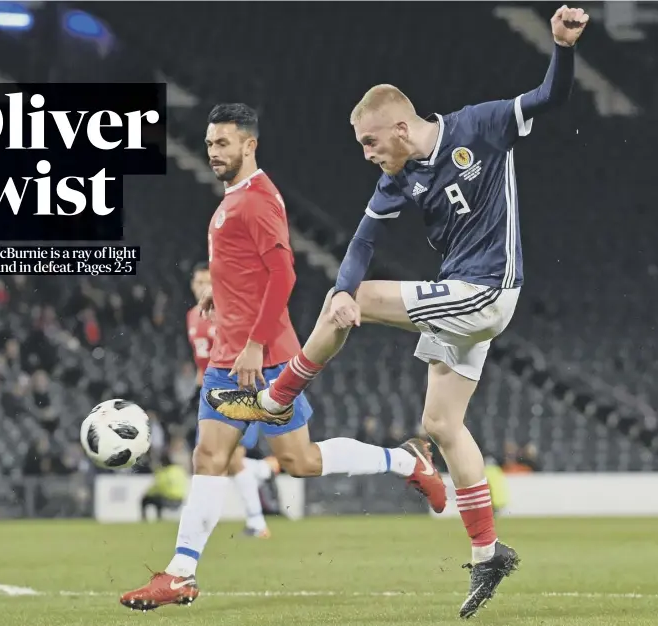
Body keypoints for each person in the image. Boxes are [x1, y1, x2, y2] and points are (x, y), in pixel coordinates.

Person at [208, 7, 589, 618]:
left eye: (369, 142)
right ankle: (489, 552)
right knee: (440, 423)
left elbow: (552, 95)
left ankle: (277, 399)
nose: (365, 154)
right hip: (459, 296)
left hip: (490, 287)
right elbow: (361, 241)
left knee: (358, 300)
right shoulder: (399, 177)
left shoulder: (482, 126)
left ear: (402, 128)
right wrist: (339, 289)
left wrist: (563, 47)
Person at [120, 102, 446, 612]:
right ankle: (181, 574)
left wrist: (253, 342)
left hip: (261, 356)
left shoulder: (258, 200)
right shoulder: (232, 200)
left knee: (297, 461)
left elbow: (284, 275)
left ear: (249, 145)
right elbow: (244, 267)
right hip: (232, 355)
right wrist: (220, 294)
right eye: (209, 144)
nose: (213, 152)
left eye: (223, 143)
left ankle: (405, 459)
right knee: (224, 457)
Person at [187, 261, 280, 538]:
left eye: (208, 282)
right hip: (208, 393)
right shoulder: (192, 316)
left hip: (236, 387)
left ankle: (256, 521)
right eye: (198, 282)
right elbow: (200, 357)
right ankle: (265, 472)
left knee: (231, 456)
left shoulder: (228, 312)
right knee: (224, 459)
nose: (203, 287)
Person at [141, 452, 188, 521]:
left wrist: (147, 493)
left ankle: (152, 519)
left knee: (147, 499)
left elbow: (158, 487)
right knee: (158, 498)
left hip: (168, 499)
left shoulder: (164, 472)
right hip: (180, 499)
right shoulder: (179, 470)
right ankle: (159, 519)